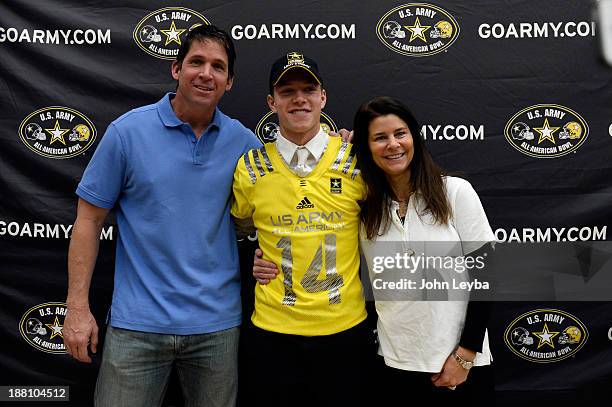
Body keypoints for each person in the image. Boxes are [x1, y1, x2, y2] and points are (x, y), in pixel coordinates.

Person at [63, 24, 260, 407]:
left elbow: (293, 191)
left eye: (218, 67)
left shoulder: (245, 144)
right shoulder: (127, 133)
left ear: (230, 81)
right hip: (136, 326)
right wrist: (77, 309)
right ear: (175, 69)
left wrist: (339, 147)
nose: (206, 73)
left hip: (216, 327)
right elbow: (88, 222)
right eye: (196, 62)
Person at [254, 96, 495, 404]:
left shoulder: (455, 192)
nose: (393, 145)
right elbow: (312, 237)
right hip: (392, 365)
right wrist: (263, 258)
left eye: (400, 134)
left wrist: (465, 355)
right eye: (380, 138)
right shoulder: (364, 208)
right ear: (367, 148)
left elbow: (487, 277)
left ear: (415, 138)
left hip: (461, 365)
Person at [231, 51, 373, 406]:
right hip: (273, 332)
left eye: (309, 89)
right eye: (287, 90)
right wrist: (255, 256)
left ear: (323, 97)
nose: (299, 99)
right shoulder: (250, 167)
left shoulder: (357, 159)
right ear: (271, 101)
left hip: (344, 330)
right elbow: (240, 229)